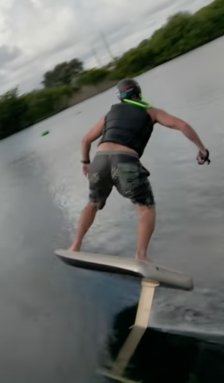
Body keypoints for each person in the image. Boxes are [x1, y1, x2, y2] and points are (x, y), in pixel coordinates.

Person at [67, 78, 210, 263]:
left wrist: (85, 162)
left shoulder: (110, 113)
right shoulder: (151, 111)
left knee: (92, 204)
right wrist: (202, 149)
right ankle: (141, 255)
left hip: (99, 162)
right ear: (139, 93)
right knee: (146, 209)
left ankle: (75, 246)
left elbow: (85, 140)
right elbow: (183, 125)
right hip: (124, 163)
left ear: (121, 97)